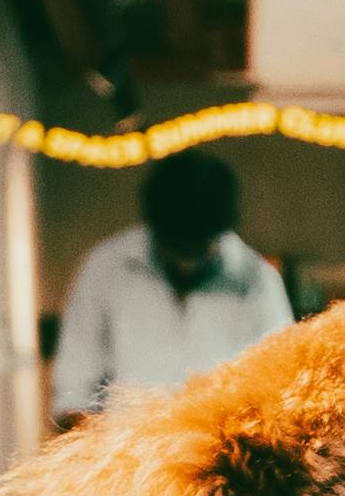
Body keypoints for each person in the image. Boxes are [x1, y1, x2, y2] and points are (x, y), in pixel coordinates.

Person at [47, 146, 295, 418]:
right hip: (125, 453)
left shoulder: (257, 281)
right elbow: (73, 388)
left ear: (220, 232)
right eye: (176, 248)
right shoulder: (106, 268)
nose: (185, 263)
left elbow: (280, 386)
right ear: (156, 228)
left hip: (221, 453)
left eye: (198, 250)